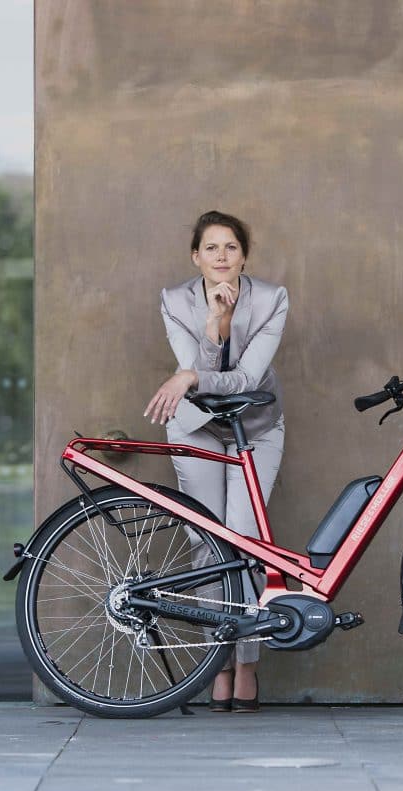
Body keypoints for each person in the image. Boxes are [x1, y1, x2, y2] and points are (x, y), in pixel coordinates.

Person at [143, 210, 289, 713]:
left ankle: (247, 661)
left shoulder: (271, 299)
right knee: (207, 542)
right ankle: (217, 660)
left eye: (231, 247)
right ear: (195, 257)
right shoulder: (174, 301)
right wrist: (213, 329)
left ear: (244, 255)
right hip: (196, 426)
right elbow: (199, 376)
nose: (221, 257)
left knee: (245, 541)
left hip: (256, 427)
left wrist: (188, 375)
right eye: (211, 248)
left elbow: (246, 379)